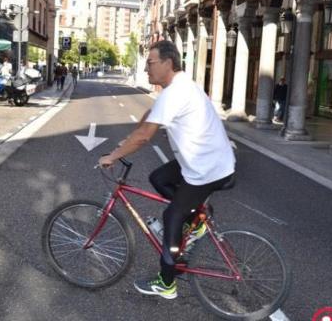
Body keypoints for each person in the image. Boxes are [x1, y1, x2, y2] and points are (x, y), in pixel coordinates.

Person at [98, 40, 235, 300]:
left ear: (167, 63)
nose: (147, 68)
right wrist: (126, 139)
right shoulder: (177, 87)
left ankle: (166, 282)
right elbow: (149, 118)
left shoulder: (176, 93)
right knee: (158, 177)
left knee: (172, 216)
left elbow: (144, 137)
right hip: (206, 161)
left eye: (150, 63)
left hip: (207, 169)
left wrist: (114, 155)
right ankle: (196, 221)